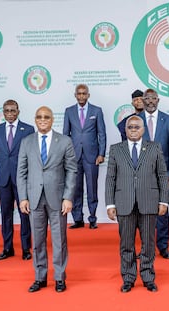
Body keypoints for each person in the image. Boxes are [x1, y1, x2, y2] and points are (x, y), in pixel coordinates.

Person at [105, 115, 169, 293]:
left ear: (143, 130)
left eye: (136, 127)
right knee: (126, 243)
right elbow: (110, 178)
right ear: (125, 130)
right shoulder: (116, 149)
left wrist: (164, 200)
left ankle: (148, 277)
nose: (133, 129)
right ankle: (128, 278)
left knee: (148, 243)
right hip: (124, 203)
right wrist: (110, 204)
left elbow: (162, 176)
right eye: (130, 127)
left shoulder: (154, 148)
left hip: (149, 202)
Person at [17, 106, 77, 293]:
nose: (42, 119)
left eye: (46, 117)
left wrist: (68, 197)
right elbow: (21, 172)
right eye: (39, 117)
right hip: (34, 199)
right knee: (38, 241)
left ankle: (59, 277)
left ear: (52, 119)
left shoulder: (64, 141)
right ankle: (40, 277)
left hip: (58, 199)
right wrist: (23, 197)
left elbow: (72, 170)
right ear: (35, 119)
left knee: (59, 240)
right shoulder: (26, 141)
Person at [0, 100, 34, 260]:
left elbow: (32, 156)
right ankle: (7, 248)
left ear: (18, 111)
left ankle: (26, 248)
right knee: (6, 214)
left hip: (23, 179)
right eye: (6, 110)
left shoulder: (28, 129)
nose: (10, 113)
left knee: (25, 214)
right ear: (3, 112)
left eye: (13, 110)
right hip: (3, 179)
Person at [139, 88, 169, 259]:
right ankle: (146, 247)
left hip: (163, 173)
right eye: (147, 98)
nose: (150, 101)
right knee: (142, 211)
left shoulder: (168, 120)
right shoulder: (135, 120)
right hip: (140, 173)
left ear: (158, 100)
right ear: (143, 100)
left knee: (162, 210)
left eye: (153, 98)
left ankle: (163, 246)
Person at [63, 84, 106, 229]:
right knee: (75, 189)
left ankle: (93, 218)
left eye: (84, 93)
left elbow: (102, 134)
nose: (81, 96)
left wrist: (101, 153)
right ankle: (78, 219)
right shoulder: (69, 111)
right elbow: (65, 135)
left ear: (88, 95)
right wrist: (66, 156)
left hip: (92, 156)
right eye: (79, 93)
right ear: (75, 95)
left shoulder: (97, 111)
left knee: (92, 188)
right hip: (74, 157)